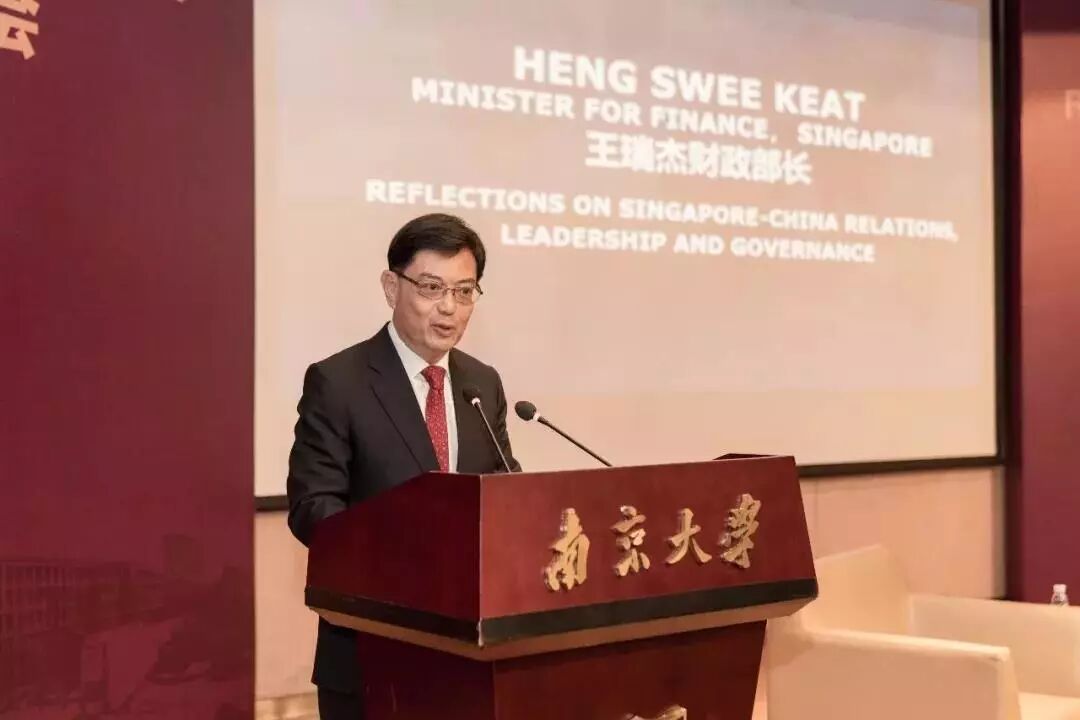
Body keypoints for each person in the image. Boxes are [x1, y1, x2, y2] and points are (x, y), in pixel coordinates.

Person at [285, 213, 520, 719]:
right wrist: (407, 552)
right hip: (372, 653)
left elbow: (506, 493)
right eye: (432, 288)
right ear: (392, 287)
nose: (449, 307)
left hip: (472, 660)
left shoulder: (482, 383)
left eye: (464, 291)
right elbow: (313, 508)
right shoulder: (339, 382)